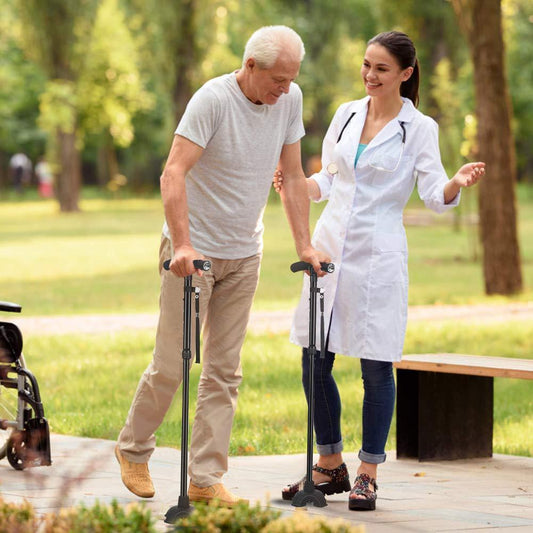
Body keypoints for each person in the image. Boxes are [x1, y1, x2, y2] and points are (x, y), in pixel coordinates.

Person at [115, 25, 329, 506]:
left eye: (291, 79)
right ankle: (133, 448)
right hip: (195, 255)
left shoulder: (288, 100)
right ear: (250, 66)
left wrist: (305, 245)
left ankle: (205, 478)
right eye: (278, 79)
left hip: (245, 252)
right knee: (173, 363)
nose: (285, 89)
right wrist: (184, 245)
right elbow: (174, 172)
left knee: (224, 371)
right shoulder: (211, 100)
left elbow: (293, 177)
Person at [274, 31, 485, 511]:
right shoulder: (347, 113)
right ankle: (329, 464)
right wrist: (299, 184)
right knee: (313, 357)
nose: (370, 75)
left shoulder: (419, 128)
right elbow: (328, 177)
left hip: (379, 255)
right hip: (328, 251)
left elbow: (434, 196)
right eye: (366, 65)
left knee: (375, 365)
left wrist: (455, 182)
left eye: (381, 69)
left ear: (406, 74)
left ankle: (368, 472)